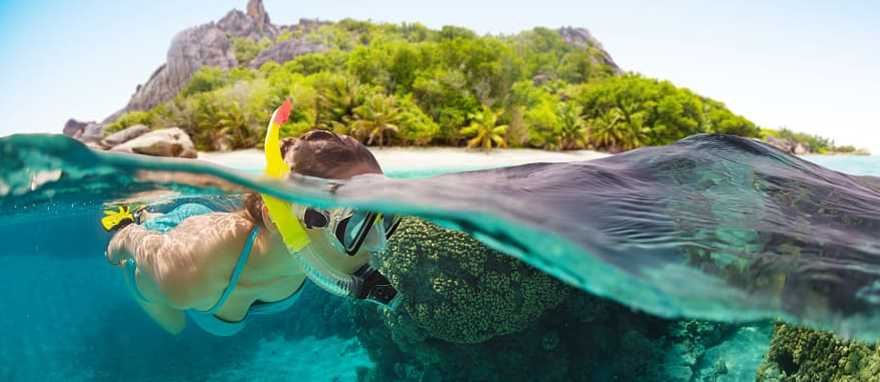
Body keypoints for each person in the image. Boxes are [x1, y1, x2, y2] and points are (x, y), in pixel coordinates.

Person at [105, 102, 400, 336]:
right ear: (277, 217)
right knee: (174, 325)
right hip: (172, 244)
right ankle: (144, 215)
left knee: (218, 325)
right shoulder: (186, 274)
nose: (379, 243)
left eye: (386, 218)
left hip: (232, 259)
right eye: (355, 222)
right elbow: (126, 244)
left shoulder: (318, 256)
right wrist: (124, 234)